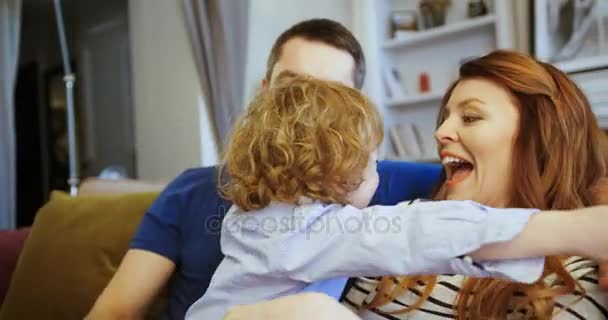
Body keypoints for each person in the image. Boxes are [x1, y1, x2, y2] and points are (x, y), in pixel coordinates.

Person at [88, 18, 442, 320]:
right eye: (291, 88)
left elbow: (489, 191)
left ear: (356, 108)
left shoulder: (387, 181)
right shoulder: (193, 188)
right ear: (264, 93)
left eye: (330, 93)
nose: (306, 110)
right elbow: (115, 311)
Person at [185, 70, 608, 320]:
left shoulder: (251, 218)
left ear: (540, 139)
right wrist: (572, 228)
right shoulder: (315, 230)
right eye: (372, 162)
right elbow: (415, 231)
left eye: (472, 116)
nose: (440, 132)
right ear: (334, 174)